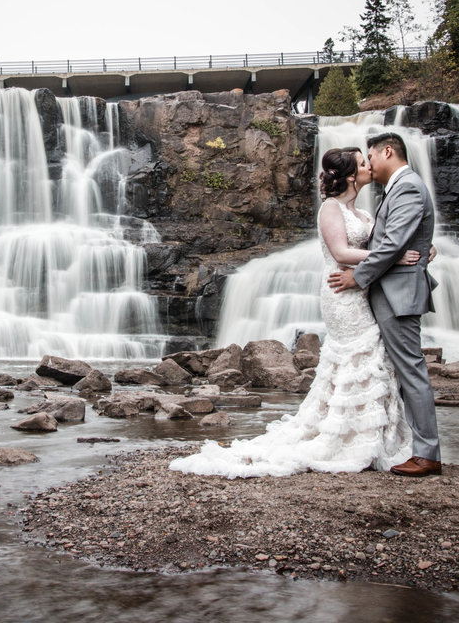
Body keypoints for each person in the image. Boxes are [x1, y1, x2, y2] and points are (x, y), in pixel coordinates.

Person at [170, 147, 420, 477]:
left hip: (361, 292)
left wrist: (416, 246)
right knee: (359, 357)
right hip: (341, 294)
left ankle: (365, 436)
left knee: (369, 358)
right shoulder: (331, 209)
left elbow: (385, 243)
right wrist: (394, 258)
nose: (369, 167)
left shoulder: (362, 214)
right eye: (363, 164)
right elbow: (341, 251)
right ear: (349, 176)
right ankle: (345, 437)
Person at [327, 132, 441, 477]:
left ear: (387, 151)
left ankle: (427, 454)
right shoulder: (399, 189)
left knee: (410, 370)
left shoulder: (407, 187)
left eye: (370, 157)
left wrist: (357, 277)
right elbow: (396, 242)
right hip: (390, 290)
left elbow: (392, 244)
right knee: (398, 371)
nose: (369, 165)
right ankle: (394, 443)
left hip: (398, 293)